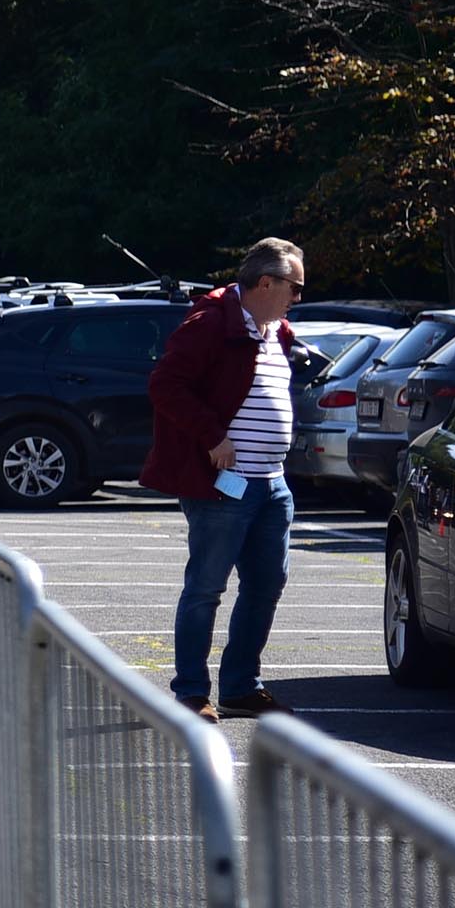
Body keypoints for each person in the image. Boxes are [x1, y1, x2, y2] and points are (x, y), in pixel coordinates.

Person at [144, 237, 307, 722]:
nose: (297, 297)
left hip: (272, 481)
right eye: (293, 287)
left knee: (266, 583)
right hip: (224, 483)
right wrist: (214, 437)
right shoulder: (211, 321)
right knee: (206, 588)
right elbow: (165, 386)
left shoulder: (276, 329)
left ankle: (240, 686)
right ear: (265, 282)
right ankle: (192, 693)